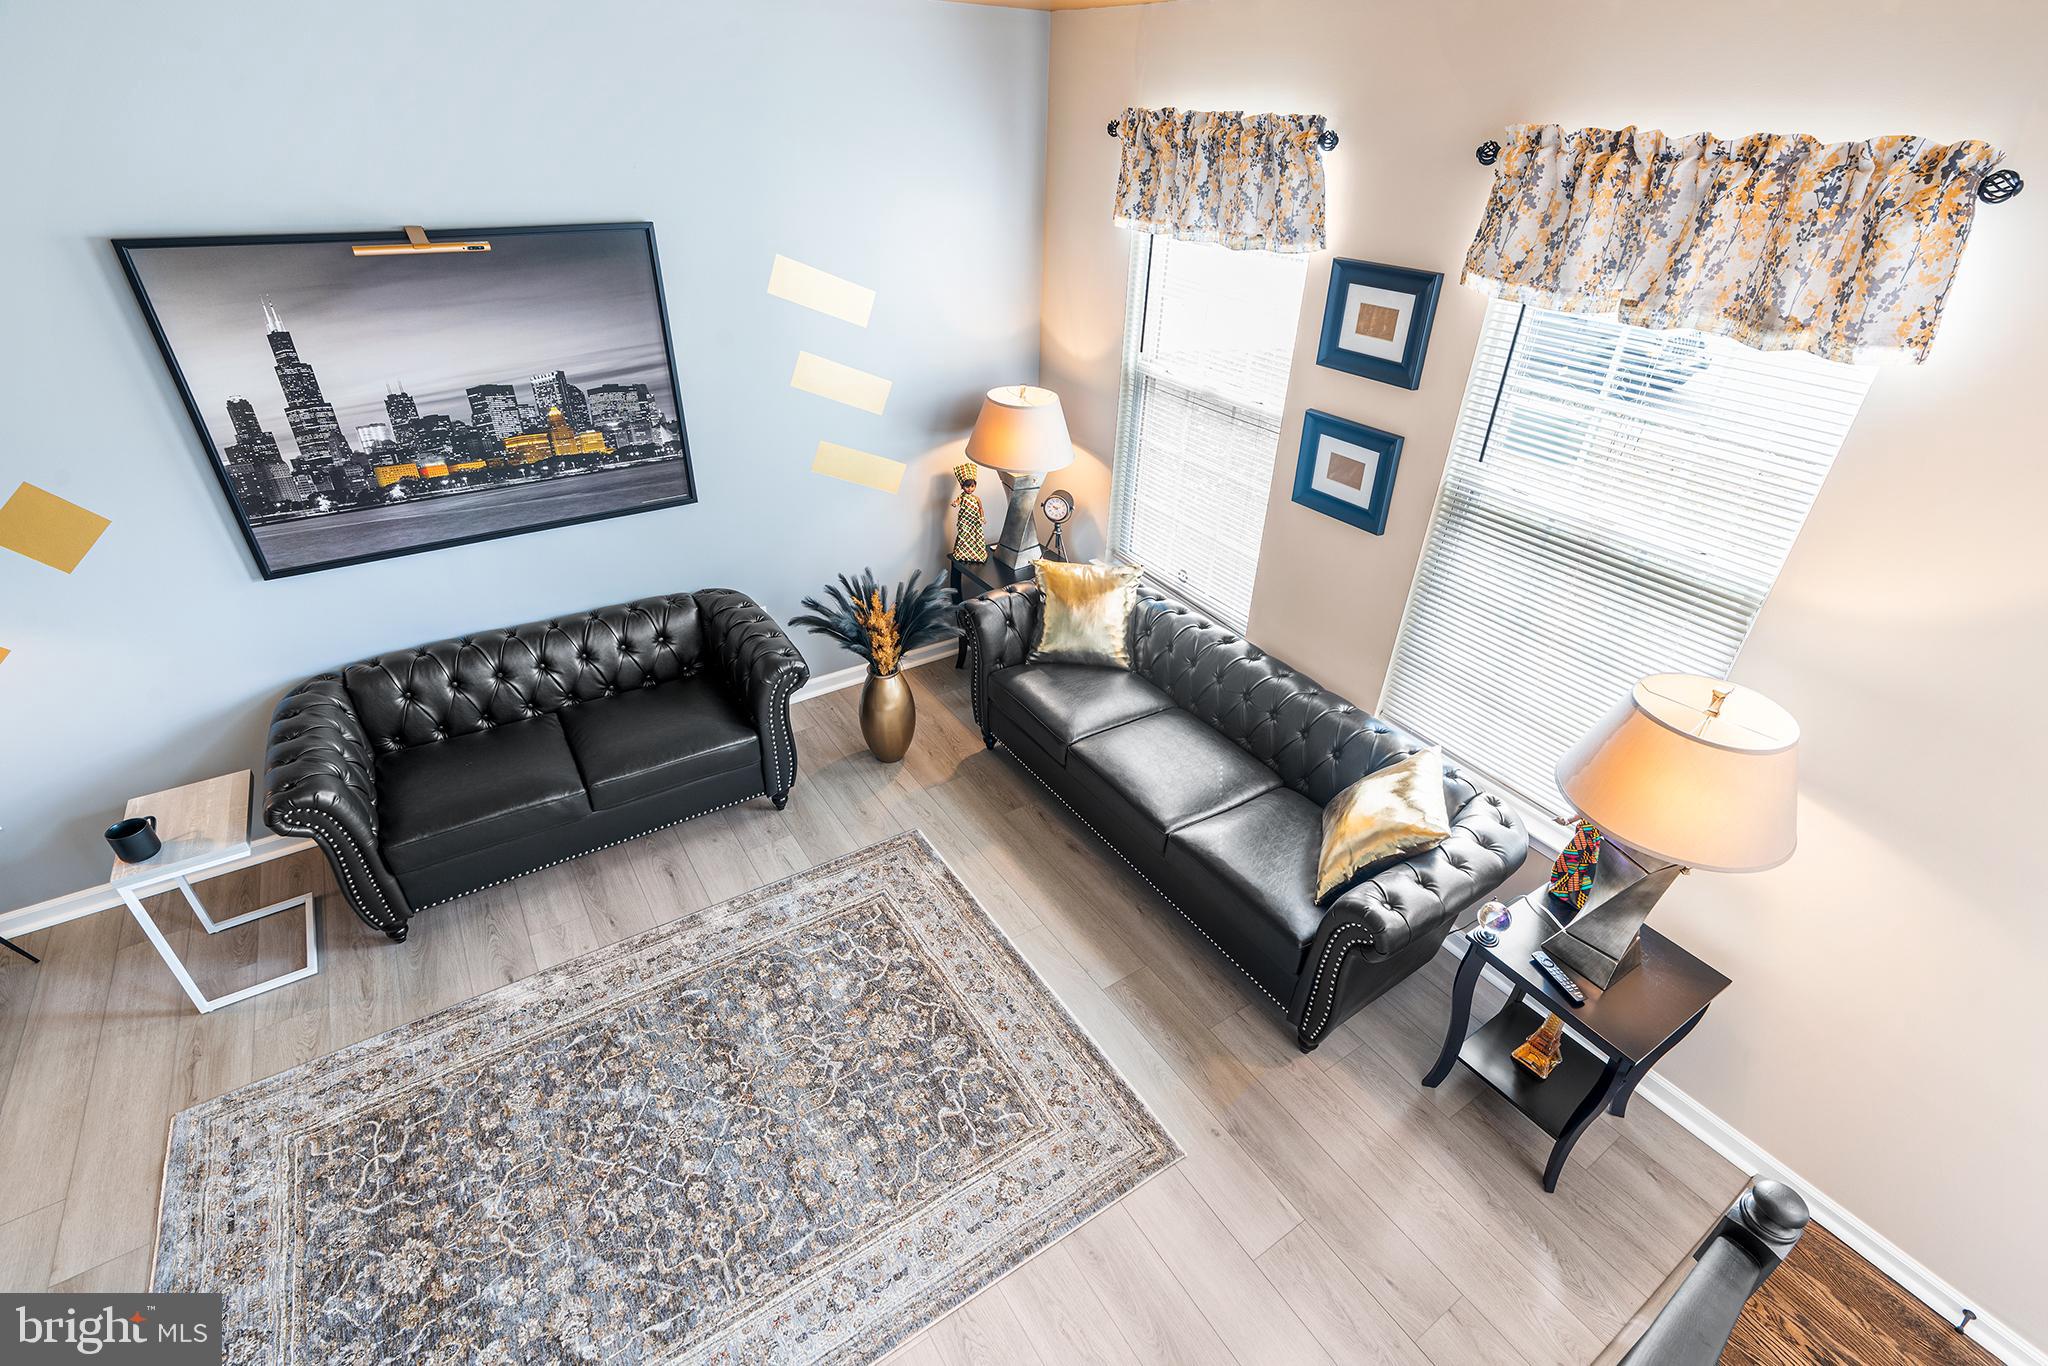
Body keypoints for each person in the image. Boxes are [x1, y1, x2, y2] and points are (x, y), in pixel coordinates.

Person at [948, 461, 988, 563]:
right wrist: (955, 504)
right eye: (967, 486)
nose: (969, 489)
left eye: (972, 486)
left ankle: (976, 553)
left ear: (975, 486)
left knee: (976, 535)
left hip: (974, 521)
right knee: (963, 535)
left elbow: (980, 508)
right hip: (965, 521)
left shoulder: (976, 498)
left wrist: (982, 517)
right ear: (962, 486)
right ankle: (962, 552)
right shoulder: (962, 496)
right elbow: (957, 501)